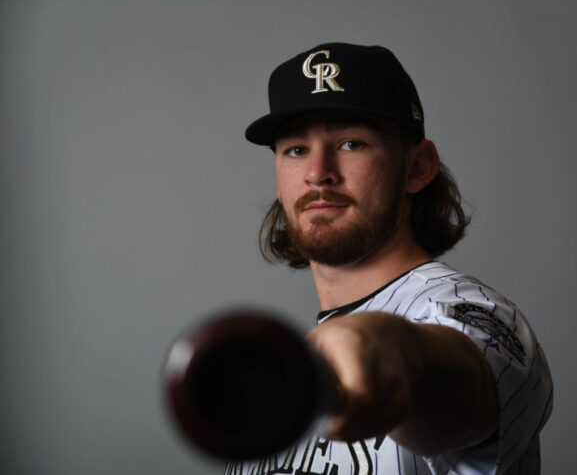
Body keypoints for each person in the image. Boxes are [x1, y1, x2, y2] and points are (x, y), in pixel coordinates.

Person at [227, 43, 552, 475]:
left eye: (350, 142)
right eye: (296, 149)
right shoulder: (290, 367)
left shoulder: (470, 312)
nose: (317, 171)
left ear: (418, 167)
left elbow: (455, 376)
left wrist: (392, 352)